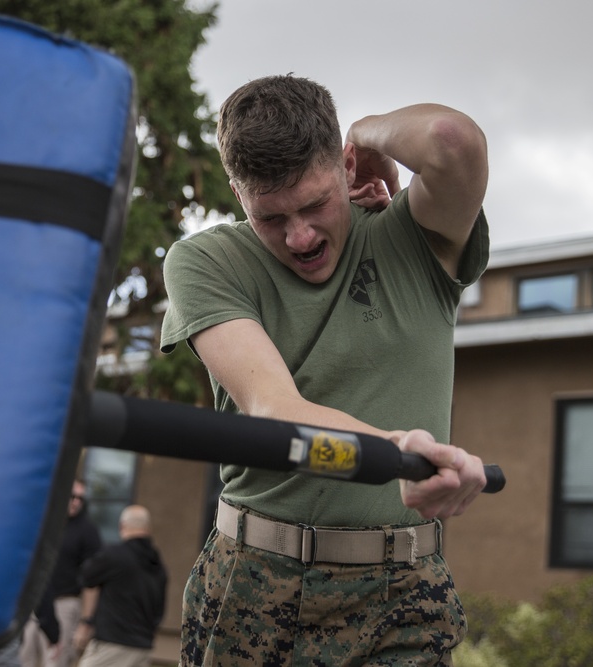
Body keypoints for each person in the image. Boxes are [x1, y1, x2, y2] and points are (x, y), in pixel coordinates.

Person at [159, 74, 491, 666]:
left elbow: (451, 139)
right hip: (255, 582)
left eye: (315, 203)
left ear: (344, 164)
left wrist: (370, 136)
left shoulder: (414, 242)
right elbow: (274, 408)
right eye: (271, 217)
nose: (301, 236)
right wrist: (399, 454)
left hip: (405, 592)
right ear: (238, 193)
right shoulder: (206, 262)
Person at [72, 506, 166, 667]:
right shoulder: (158, 567)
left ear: (122, 526)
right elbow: (159, 611)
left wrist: (86, 622)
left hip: (112, 645)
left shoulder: (115, 556)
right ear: (148, 529)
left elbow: (85, 576)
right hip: (144, 648)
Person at [43, 480, 101, 667]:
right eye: (72, 496)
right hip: (35, 605)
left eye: (80, 498)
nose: (76, 502)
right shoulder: (48, 524)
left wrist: (86, 622)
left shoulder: (88, 531)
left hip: (65, 605)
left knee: (55, 661)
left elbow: (93, 581)